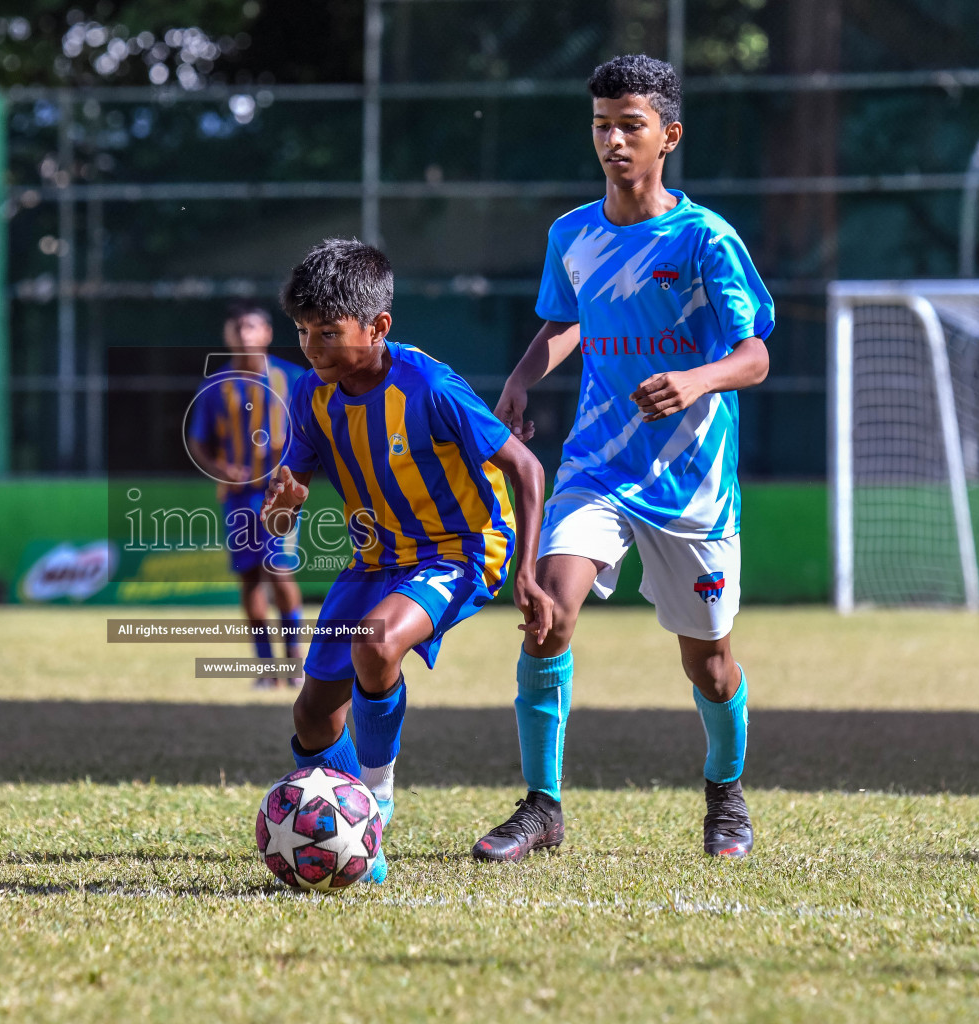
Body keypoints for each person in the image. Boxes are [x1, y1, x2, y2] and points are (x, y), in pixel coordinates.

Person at [474, 54, 773, 864]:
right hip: (595, 468)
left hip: (694, 485)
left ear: (668, 135)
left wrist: (695, 380)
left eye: (630, 125)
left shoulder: (704, 238)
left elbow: (754, 358)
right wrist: (518, 381)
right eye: (602, 125)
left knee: (710, 666)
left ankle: (725, 794)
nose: (612, 139)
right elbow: (564, 320)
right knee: (548, 612)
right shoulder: (571, 234)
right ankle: (542, 807)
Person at [260, 238, 552, 883]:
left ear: (378, 326)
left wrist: (528, 572)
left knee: (376, 643)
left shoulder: (429, 386)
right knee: (312, 716)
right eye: (304, 331)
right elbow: (284, 511)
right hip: (375, 557)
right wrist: (283, 504)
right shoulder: (311, 396)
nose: (312, 346)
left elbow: (526, 468)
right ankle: (353, 839)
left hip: (462, 548)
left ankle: (376, 799)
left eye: (329, 332)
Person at [185, 302, 306, 687]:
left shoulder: (294, 379)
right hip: (237, 496)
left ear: (268, 333)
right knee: (250, 578)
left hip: (279, 495)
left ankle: (295, 662)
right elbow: (198, 441)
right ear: (227, 334)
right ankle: (266, 669)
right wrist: (220, 469)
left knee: (281, 572)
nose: (244, 334)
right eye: (237, 327)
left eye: (252, 326)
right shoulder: (215, 385)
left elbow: (313, 434)